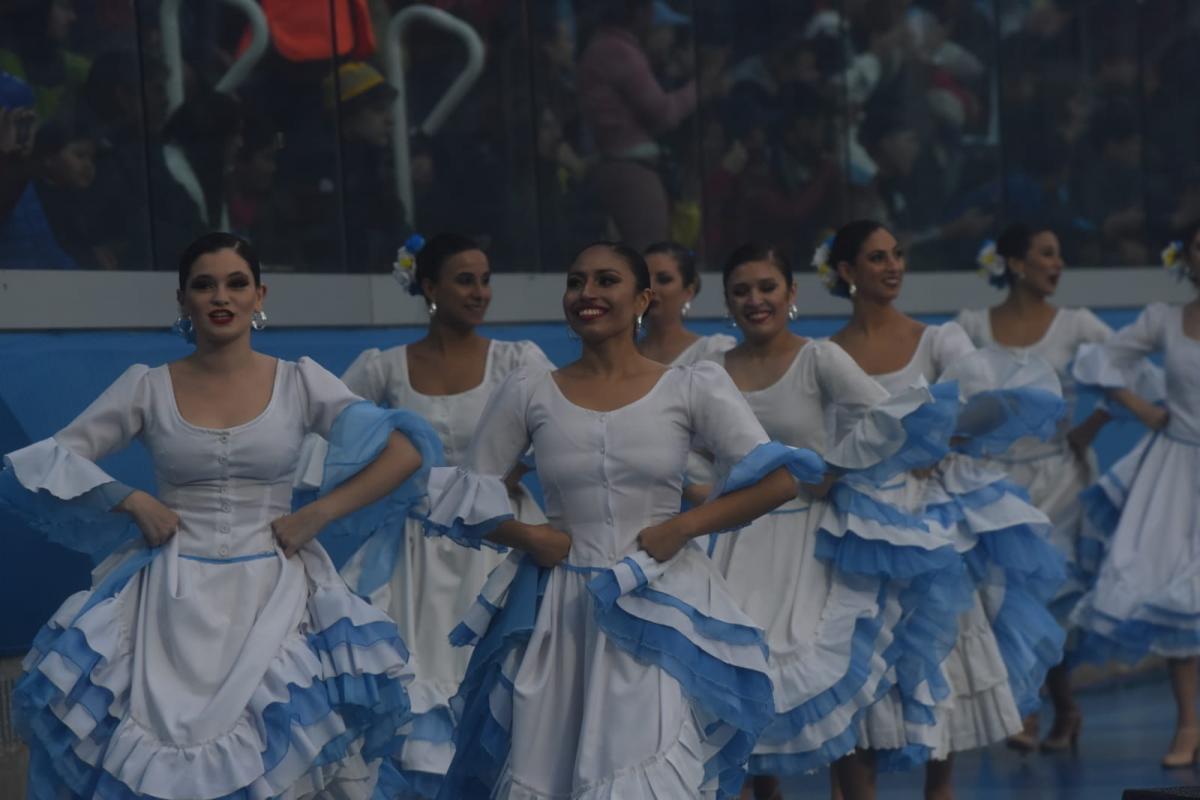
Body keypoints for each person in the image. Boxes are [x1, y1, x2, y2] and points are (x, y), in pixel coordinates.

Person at [1, 232, 442, 797]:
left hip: (278, 595)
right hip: (167, 601)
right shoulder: (148, 386)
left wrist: (319, 515)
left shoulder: (299, 380)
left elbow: (404, 450)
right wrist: (130, 499)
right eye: (204, 285)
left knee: (287, 758)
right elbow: (49, 459)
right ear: (182, 299)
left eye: (236, 284)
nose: (221, 297)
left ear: (260, 295)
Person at [426, 241, 826, 798]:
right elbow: (464, 499)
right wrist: (528, 536)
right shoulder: (529, 388)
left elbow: (778, 481)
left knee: (645, 772)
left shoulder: (690, 385)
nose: (587, 293)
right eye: (576, 281)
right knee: (548, 770)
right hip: (557, 617)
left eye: (605, 280)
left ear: (642, 298)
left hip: (657, 607)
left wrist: (685, 526)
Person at [826, 220, 1066, 800]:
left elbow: (985, 404)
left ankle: (942, 788)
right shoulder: (826, 354)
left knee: (942, 648)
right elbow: (824, 437)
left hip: (928, 520)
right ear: (846, 272)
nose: (892, 266)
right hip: (856, 523)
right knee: (863, 653)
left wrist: (940, 444)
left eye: (898, 254)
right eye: (877, 257)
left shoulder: (938, 340)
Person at [705, 243, 956, 799]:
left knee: (831, 695)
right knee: (739, 689)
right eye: (741, 290)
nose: (755, 300)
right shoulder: (711, 369)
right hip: (734, 544)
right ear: (727, 301)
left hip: (811, 540)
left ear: (791, 294)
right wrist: (706, 492)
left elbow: (893, 415)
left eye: (767, 287)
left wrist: (835, 468)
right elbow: (687, 444)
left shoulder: (817, 357)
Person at [334, 233, 553, 798]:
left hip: (500, 540)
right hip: (416, 552)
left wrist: (513, 471)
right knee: (419, 678)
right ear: (428, 286)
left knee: (507, 686)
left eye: (485, 279)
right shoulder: (383, 368)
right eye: (464, 279)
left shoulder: (518, 361)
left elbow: (560, 431)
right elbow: (331, 447)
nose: (480, 292)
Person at [955, 223, 1116, 752]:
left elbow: (1127, 367)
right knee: (1005, 601)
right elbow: (949, 392)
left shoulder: (1076, 324)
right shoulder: (973, 326)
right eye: (1048, 253)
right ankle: (1050, 705)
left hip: (1060, 478)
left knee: (1046, 599)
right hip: (995, 482)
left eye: (1059, 253)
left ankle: (1034, 706)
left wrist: (1094, 421)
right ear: (1016, 264)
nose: (1059, 263)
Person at [1069, 221, 1200, 768]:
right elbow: (1100, 360)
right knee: (1173, 590)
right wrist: (1142, 407)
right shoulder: (1164, 320)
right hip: (1178, 469)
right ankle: (1189, 724)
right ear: (1187, 257)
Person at [578, 0, 698, 249]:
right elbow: (662, 113)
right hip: (630, 167)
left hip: (626, 165)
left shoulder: (607, 47)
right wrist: (699, 89)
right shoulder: (617, 50)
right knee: (648, 255)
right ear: (639, 12)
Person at [637, 240, 736, 366]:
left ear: (689, 291)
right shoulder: (622, 355)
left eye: (664, 280)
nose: (651, 288)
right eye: (644, 279)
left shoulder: (711, 352)